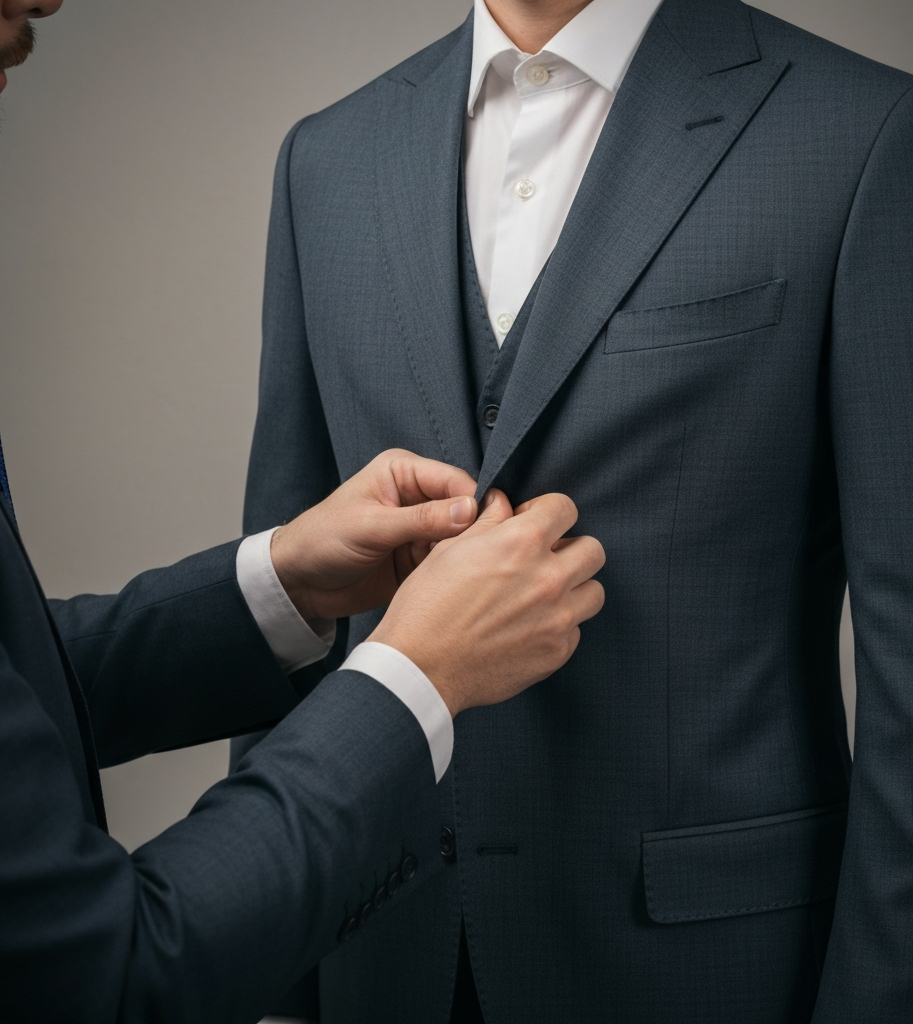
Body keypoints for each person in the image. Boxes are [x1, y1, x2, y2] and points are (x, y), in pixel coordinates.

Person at [239, 0, 913, 1020]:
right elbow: (290, 620)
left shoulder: (873, 137)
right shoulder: (325, 160)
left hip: (713, 973)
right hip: (377, 966)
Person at [0, 4, 608, 1023]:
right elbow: (106, 980)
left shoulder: (868, 139)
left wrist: (278, 585)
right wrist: (409, 676)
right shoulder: (327, 160)